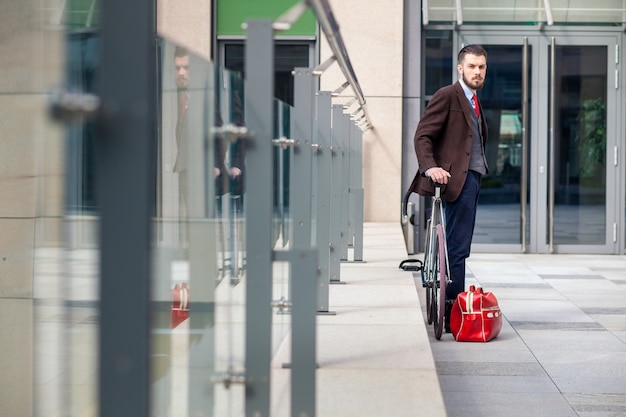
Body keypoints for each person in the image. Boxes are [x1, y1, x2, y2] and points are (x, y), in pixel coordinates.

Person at [409, 44, 489, 332]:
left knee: (461, 244)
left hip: (474, 177)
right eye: (471, 66)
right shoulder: (448, 95)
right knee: (457, 247)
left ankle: (453, 301)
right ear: (460, 68)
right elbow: (422, 135)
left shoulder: (475, 100)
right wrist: (430, 167)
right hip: (455, 181)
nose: (477, 71)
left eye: (481, 66)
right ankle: (453, 309)